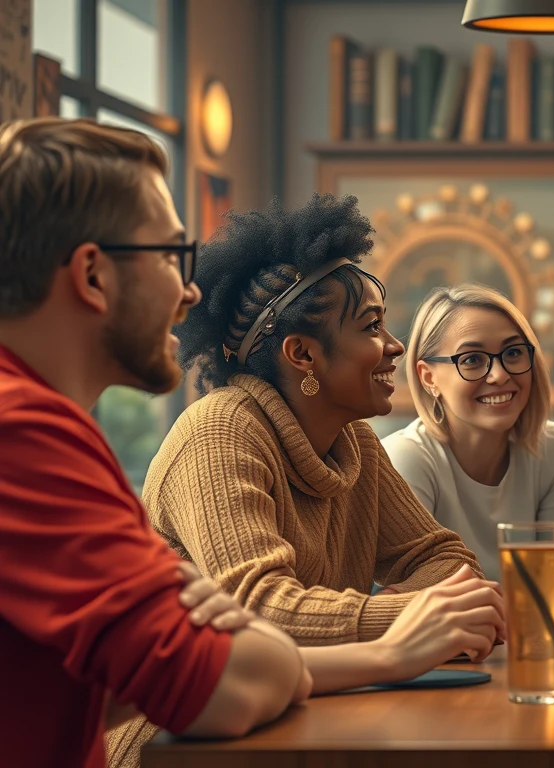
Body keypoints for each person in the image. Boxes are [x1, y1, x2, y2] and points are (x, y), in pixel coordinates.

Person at [107, 195, 504, 768]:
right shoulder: (217, 434)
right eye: (371, 326)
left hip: (300, 720)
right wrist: (409, 620)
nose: (394, 345)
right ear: (302, 354)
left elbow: (444, 559)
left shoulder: (354, 442)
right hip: (179, 745)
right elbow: (259, 611)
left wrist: (420, 609)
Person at [0, 117, 310, 768]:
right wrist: (258, 634)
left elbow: (92, 686)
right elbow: (223, 692)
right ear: (93, 275)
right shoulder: (24, 432)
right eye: (172, 256)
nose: (190, 290)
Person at [383, 285, 554, 582]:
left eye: (513, 352)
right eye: (472, 359)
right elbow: (419, 595)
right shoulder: (406, 458)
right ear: (428, 377)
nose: (500, 375)